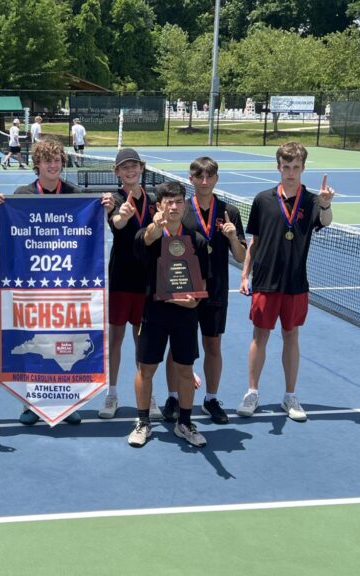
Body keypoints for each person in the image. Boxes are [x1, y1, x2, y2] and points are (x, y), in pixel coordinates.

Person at [0, 137, 114, 425]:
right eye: (47, 160)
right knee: (36, 341)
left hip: (69, 286)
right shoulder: (21, 194)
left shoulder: (76, 195)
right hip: (32, 286)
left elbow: (95, 224)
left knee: (68, 342)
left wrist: (108, 203)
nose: (53, 165)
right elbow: (3, 230)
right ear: (37, 165)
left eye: (57, 160)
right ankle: (30, 404)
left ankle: (69, 402)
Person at [238, 141, 335, 422]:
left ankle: (290, 396)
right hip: (265, 281)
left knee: (291, 336)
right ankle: (252, 392)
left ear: (303, 168)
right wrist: (245, 275)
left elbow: (325, 221)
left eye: (296, 167)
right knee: (260, 336)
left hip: (295, 283)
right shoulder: (262, 199)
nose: (290, 172)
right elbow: (254, 242)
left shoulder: (314, 201)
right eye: (286, 167)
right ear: (278, 167)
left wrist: (326, 205)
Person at [163, 157, 246, 425]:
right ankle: (173, 397)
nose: (205, 181)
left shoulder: (229, 212)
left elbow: (242, 256)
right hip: (185, 288)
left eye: (210, 177)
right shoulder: (181, 210)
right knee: (177, 347)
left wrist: (233, 236)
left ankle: (211, 398)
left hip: (217, 289)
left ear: (216, 179)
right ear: (191, 180)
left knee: (213, 344)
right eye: (199, 177)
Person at [128, 181, 209, 449]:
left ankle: (184, 423)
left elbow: (203, 283)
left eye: (178, 202)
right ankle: (142, 422)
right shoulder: (149, 235)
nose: (174, 207)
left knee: (185, 370)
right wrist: (157, 225)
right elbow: (147, 237)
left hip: (185, 317)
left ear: (184, 205)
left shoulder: (196, 239)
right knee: (146, 369)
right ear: (159, 206)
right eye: (169, 202)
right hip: (154, 314)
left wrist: (193, 302)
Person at [99, 148, 164, 420]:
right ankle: (111, 394)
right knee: (115, 339)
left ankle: (146, 394)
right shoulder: (113, 199)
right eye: (125, 167)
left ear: (142, 168)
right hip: (121, 279)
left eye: (134, 166)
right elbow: (115, 222)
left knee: (143, 341)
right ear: (117, 172)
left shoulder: (154, 199)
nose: (130, 170)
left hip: (147, 280)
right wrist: (123, 216)